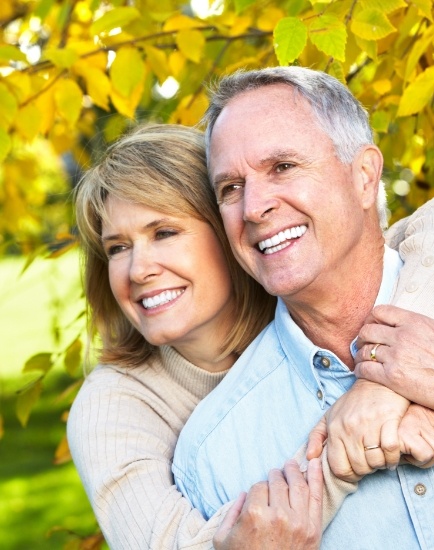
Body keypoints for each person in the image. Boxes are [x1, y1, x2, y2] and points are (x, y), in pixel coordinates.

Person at [172, 67, 434, 547]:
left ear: (364, 176)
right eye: (230, 188)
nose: (254, 207)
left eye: (283, 166)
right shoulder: (213, 455)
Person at [67, 122, 325, 550]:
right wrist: (357, 433)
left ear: (230, 230)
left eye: (163, 233)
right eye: (118, 247)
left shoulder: (301, 305)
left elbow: (424, 227)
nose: (138, 270)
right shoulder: (110, 408)